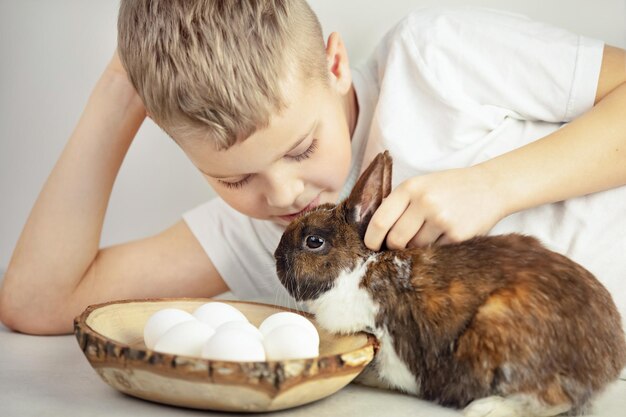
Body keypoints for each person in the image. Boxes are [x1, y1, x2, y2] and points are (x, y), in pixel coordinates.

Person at [1, 1, 625, 335]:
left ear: (336, 65)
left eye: (300, 149)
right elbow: (39, 302)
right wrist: (122, 85)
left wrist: (495, 185)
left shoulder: (432, 60)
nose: (284, 196)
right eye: (232, 179)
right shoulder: (259, 235)